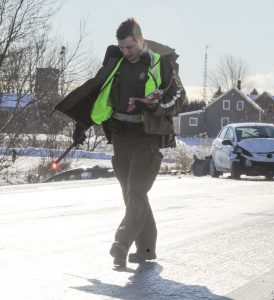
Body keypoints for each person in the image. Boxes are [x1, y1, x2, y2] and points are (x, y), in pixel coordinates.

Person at [55, 18, 185, 269]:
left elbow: (179, 98)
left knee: (136, 191)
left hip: (147, 138)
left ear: (141, 40)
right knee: (132, 194)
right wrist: (80, 126)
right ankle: (146, 249)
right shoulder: (115, 63)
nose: (127, 52)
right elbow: (98, 94)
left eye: (130, 46)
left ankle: (121, 243)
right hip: (120, 137)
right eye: (122, 47)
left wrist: (155, 106)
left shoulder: (161, 64)